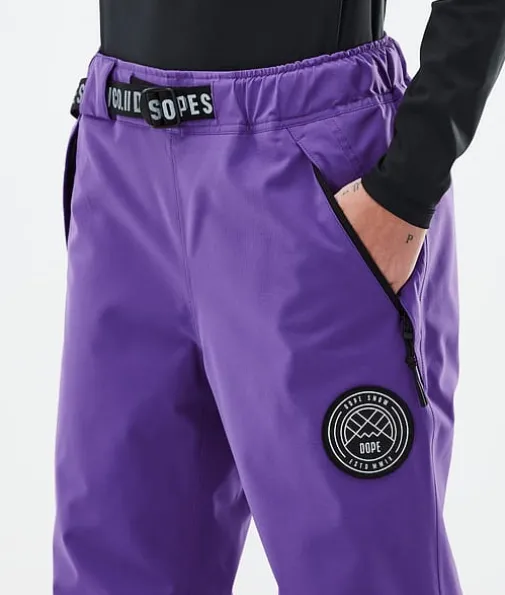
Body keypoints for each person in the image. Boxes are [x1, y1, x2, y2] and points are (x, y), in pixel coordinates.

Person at [54, 1, 505, 594]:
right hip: (121, 153)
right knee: (112, 573)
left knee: (362, 574)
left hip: (304, 161)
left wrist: (410, 182)